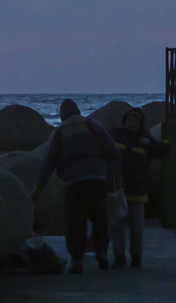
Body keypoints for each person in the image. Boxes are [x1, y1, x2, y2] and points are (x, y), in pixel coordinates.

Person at [33, 99, 121, 273]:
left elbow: (47, 163)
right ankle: (101, 252)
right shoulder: (93, 125)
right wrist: (117, 177)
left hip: (73, 183)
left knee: (75, 222)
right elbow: (113, 151)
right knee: (100, 218)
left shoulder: (59, 132)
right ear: (79, 111)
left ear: (62, 116)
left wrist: (38, 189)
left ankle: (76, 260)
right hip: (97, 179)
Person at [108, 107, 170, 269]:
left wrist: (148, 143)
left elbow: (165, 149)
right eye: (130, 119)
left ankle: (136, 257)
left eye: (136, 120)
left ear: (141, 123)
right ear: (124, 120)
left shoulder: (145, 138)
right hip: (117, 189)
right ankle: (119, 256)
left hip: (137, 191)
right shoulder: (114, 134)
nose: (132, 123)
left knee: (136, 227)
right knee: (115, 225)